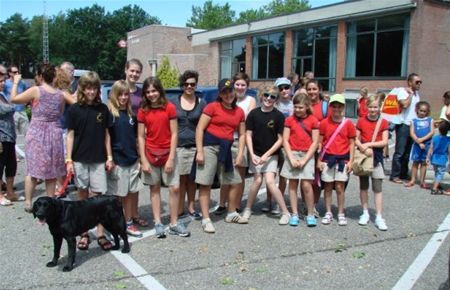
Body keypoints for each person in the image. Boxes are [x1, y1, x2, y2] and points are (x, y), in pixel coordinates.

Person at [11, 64, 75, 213]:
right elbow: (63, 111)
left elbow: (14, 99)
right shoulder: (61, 94)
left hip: (37, 132)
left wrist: (15, 82)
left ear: (40, 76)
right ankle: (50, 201)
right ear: (54, 76)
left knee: (33, 170)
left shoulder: (36, 90)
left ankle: (28, 202)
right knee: (51, 172)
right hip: (54, 132)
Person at [65, 71, 114, 250]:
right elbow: (70, 135)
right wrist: (69, 159)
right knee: (83, 197)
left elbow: (106, 135)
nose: (91, 92)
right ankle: (84, 233)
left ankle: (100, 233)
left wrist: (109, 157)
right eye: (88, 88)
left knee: (98, 198)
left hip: (99, 159)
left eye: (94, 88)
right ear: (82, 89)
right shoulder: (74, 110)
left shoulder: (103, 109)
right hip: (79, 159)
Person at [137, 77, 190, 238]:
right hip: (151, 154)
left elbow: (174, 134)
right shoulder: (143, 111)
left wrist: (171, 158)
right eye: (148, 92)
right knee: (154, 188)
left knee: (174, 188)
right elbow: (140, 136)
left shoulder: (169, 108)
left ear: (160, 90)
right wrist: (143, 160)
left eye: (154, 90)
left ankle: (174, 223)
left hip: (168, 153)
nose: (151, 94)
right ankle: (158, 222)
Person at [195, 78, 247, 233]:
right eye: (224, 92)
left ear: (234, 92)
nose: (228, 95)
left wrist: (240, 153)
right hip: (209, 147)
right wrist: (199, 151)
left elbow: (242, 134)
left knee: (235, 181)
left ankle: (231, 213)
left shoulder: (239, 112)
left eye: (230, 91)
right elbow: (199, 129)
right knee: (206, 183)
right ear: (220, 93)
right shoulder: (212, 107)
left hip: (226, 148)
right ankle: (206, 219)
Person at [241, 87, 290, 225]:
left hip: (271, 155)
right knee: (257, 180)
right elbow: (248, 135)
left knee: (269, 181)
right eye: (266, 95)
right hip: (255, 153)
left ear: (276, 99)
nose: (269, 98)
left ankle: (285, 212)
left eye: (273, 97)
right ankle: (248, 209)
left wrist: (267, 155)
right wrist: (252, 154)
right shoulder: (253, 114)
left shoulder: (278, 116)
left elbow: (280, 139)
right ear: (261, 96)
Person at [107, 80, 143, 237]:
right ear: (114, 95)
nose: (123, 97)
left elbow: (135, 138)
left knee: (129, 194)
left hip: (132, 160)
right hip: (118, 161)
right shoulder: (110, 115)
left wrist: (140, 158)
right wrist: (109, 158)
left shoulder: (131, 115)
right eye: (120, 94)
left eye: (126, 94)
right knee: (117, 196)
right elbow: (106, 138)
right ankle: (115, 222)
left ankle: (128, 222)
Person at [216, 72, 256, 215]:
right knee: (224, 173)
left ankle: (237, 204)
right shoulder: (226, 99)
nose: (240, 87)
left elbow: (246, 121)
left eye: (243, 85)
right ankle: (222, 203)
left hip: (240, 140)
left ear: (247, 86)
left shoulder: (250, 100)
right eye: (237, 84)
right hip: (225, 140)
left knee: (239, 174)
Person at [281, 92, 319, 227]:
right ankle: (295, 213)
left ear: (307, 106)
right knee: (292, 184)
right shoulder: (289, 120)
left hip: (307, 155)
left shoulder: (313, 120)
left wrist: (305, 160)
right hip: (292, 153)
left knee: (306, 185)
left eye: (301, 107)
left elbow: (315, 142)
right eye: (295, 107)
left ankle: (310, 213)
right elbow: (285, 140)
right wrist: (291, 158)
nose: (297, 110)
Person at [170, 70, 205, 219]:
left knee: (192, 179)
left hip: (195, 146)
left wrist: (202, 149)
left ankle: (191, 206)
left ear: (196, 85)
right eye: (187, 84)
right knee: (180, 179)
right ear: (182, 85)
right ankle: (179, 208)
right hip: (178, 147)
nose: (189, 86)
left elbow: (204, 126)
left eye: (192, 84)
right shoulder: (173, 102)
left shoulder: (201, 103)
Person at [317, 94, 356, 226]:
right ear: (330, 107)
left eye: (339, 107)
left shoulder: (348, 124)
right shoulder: (324, 123)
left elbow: (352, 143)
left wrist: (351, 161)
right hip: (327, 159)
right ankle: (328, 212)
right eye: (334, 107)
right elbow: (320, 143)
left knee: (340, 187)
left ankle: (340, 212)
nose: (336, 109)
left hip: (342, 160)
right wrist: (318, 161)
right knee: (327, 187)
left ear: (343, 108)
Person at [355, 95, 390, 230]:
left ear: (379, 107)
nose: (373, 109)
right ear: (366, 107)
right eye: (370, 107)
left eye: (375, 107)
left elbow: (384, 141)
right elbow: (355, 138)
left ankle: (379, 216)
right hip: (364, 158)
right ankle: (365, 212)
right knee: (363, 186)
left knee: (377, 187)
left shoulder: (384, 122)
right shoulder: (361, 121)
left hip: (377, 158)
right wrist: (362, 147)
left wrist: (369, 144)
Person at [124, 59, 148, 228]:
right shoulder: (119, 89)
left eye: (137, 71)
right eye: (132, 70)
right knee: (121, 183)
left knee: (135, 181)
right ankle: (122, 216)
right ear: (126, 70)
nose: (134, 74)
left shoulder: (141, 93)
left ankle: (134, 213)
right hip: (122, 138)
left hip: (138, 139)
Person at [390, 73, 422, 183]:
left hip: (413, 126)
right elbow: (404, 105)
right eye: (417, 82)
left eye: (420, 82)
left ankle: (403, 173)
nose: (419, 84)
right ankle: (394, 175)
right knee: (400, 152)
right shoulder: (402, 92)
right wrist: (410, 95)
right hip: (403, 125)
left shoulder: (417, 94)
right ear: (409, 82)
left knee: (408, 152)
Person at [404, 101, 434, 188]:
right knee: (415, 162)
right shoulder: (413, 121)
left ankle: (422, 181)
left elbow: (432, 132)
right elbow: (412, 133)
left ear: (427, 112)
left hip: (427, 145)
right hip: (417, 145)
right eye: (421, 110)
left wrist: (423, 140)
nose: (422, 113)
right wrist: (418, 141)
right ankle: (413, 179)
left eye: (424, 111)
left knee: (424, 163)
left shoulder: (430, 120)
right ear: (417, 110)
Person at [0, 73, 17, 205]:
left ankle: (10, 192)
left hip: (10, 136)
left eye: (3, 81)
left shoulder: (3, 96)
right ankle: (0, 195)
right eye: (0, 81)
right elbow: (9, 108)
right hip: (1, 137)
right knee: (0, 166)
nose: (2, 83)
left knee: (11, 165)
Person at [4, 65, 29, 137]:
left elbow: (26, 92)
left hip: (22, 111)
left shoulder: (22, 83)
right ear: (10, 73)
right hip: (12, 112)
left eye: (18, 72)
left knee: (27, 133)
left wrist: (26, 102)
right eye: (14, 72)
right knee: (14, 134)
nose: (17, 73)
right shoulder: (6, 83)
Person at [427, 122, 450, 196]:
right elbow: (449, 151)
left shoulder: (434, 137)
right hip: (442, 158)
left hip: (434, 157)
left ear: (439, 129)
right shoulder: (448, 140)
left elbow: (431, 148)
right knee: (440, 173)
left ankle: (437, 184)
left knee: (436, 172)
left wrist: (428, 157)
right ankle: (434, 188)